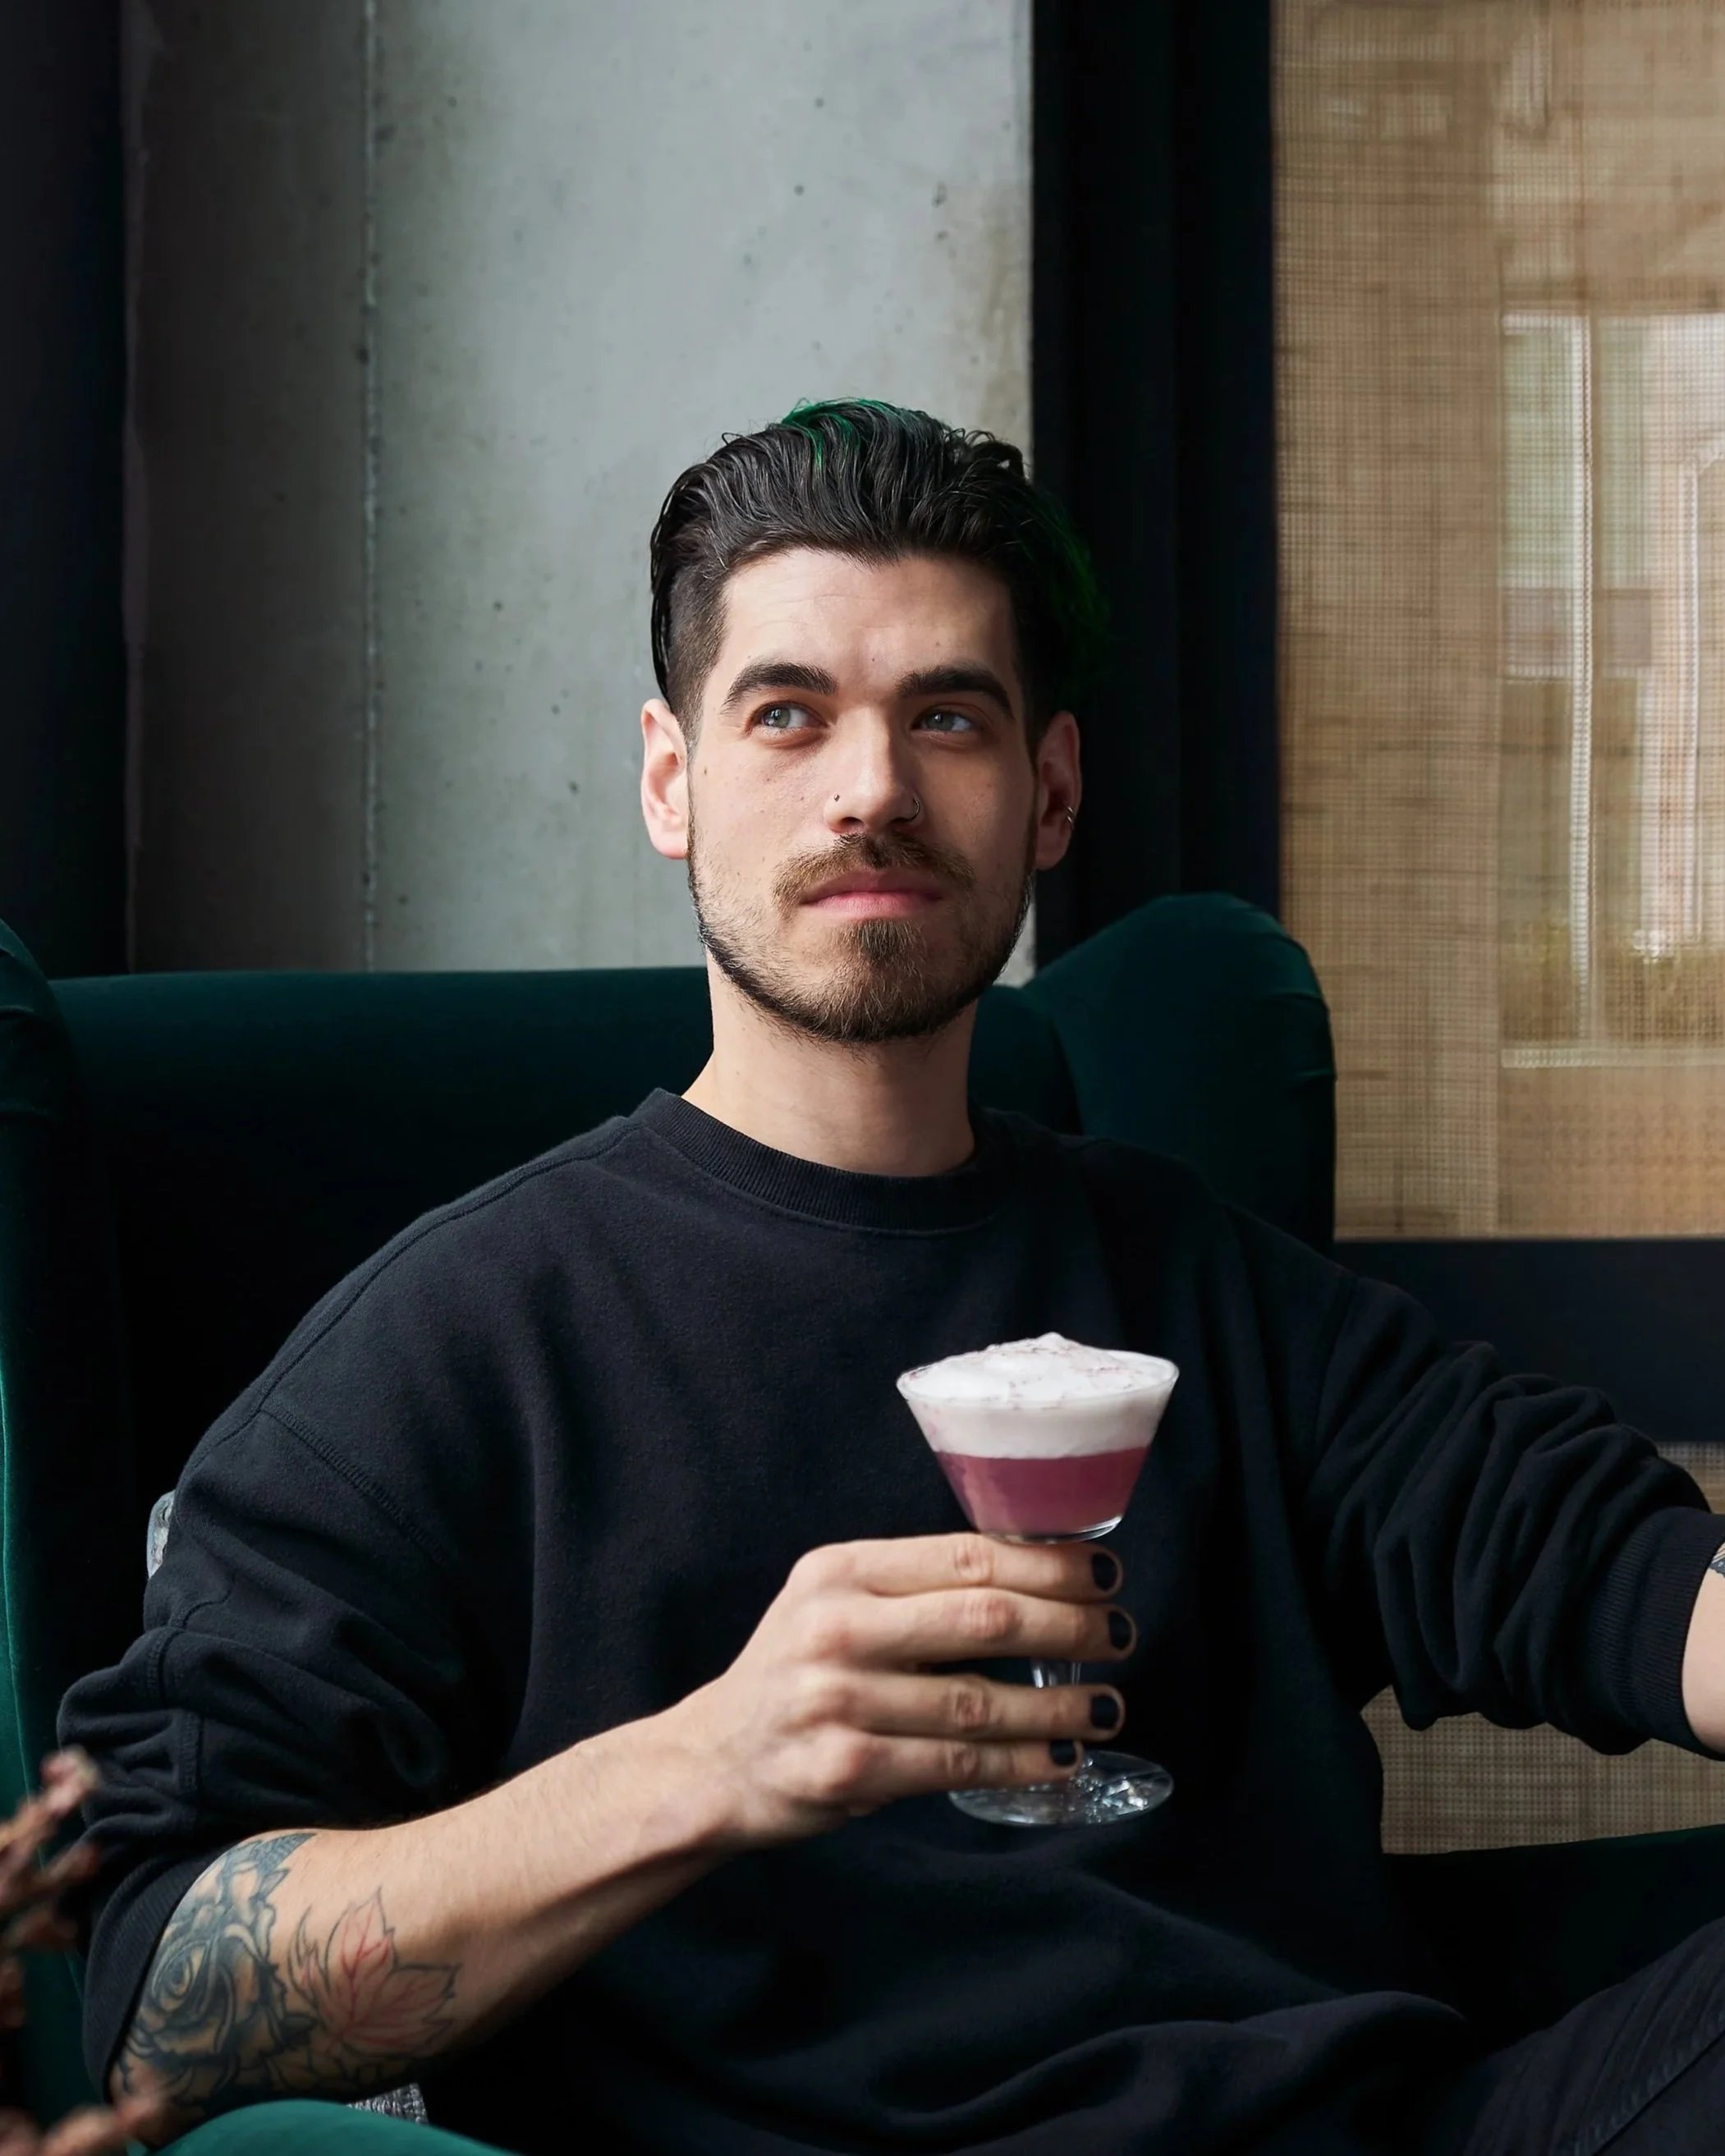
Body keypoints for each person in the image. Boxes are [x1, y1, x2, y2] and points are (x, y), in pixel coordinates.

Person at [62, 401, 1725, 2156]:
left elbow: (1615, 1568)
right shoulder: (455, 1350)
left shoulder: (1203, 1281)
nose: (871, 787)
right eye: (789, 713)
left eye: (948, 714)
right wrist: (714, 1761)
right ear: (670, 777)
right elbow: (160, 1991)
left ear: (1052, 788)